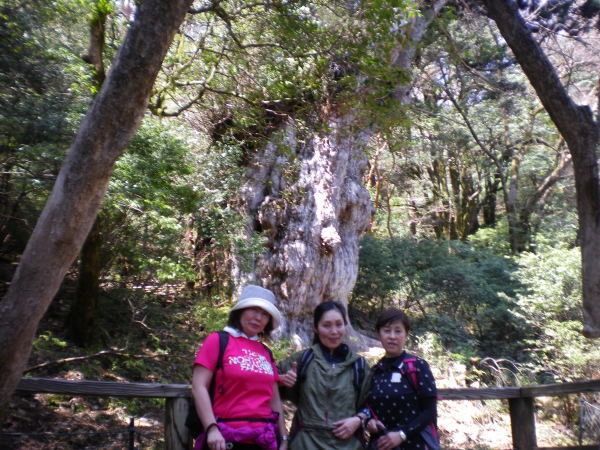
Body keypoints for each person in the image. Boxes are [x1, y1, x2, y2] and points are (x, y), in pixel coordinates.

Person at [192, 285, 290, 450]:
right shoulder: (218, 340)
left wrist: (284, 437)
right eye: (253, 309)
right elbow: (198, 386)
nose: (258, 318)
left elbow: (274, 399)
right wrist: (211, 427)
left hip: (264, 439)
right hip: (225, 438)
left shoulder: (265, 352)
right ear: (240, 311)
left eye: (265, 314)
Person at [278, 301, 370, 449]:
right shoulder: (302, 360)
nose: (334, 331)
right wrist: (281, 381)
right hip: (306, 443)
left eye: (339, 324)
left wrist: (358, 420)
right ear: (316, 328)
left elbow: (372, 403)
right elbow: (265, 386)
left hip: (348, 444)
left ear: (346, 326)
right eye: (327, 325)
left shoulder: (359, 366)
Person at [366, 308, 438, 450]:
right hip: (381, 445)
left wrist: (402, 434)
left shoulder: (417, 367)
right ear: (379, 334)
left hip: (414, 444)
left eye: (398, 331)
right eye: (387, 331)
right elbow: (367, 406)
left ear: (406, 334)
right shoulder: (374, 372)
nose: (392, 336)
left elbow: (429, 411)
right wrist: (369, 421)